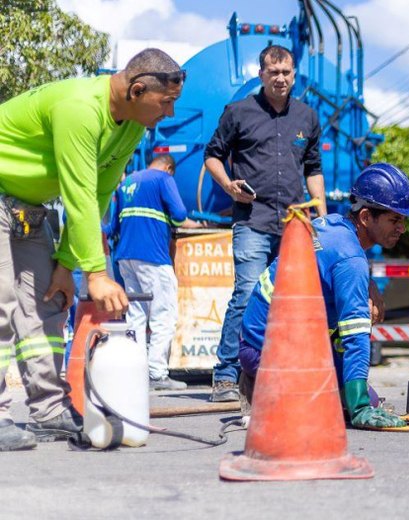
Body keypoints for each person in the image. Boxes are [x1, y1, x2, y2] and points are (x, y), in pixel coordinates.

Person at [0, 48, 184, 450]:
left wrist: (68, 264)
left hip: (29, 209)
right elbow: (78, 193)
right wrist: (97, 274)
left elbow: (100, 194)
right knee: (2, 302)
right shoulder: (81, 108)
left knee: (47, 306)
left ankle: (48, 412)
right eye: (166, 102)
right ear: (137, 90)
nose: (169, 114)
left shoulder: (132, 125)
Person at [238, 163, 409, 429]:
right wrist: (359, 407)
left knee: (364, 396)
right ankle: (274, 392)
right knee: (353, 403)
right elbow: (355, 336)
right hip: (269, 352)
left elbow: (332, 261)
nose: (402, 228)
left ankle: (271, 387)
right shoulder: (351, 260)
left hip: (256, 340)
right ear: (366, 217)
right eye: (395, 220)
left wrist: (368, 282)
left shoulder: (332, 224)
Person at [204, 45, 327, 403]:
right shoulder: (238, 112)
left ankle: (278, 372)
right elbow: (212, 155)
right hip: (252, 222)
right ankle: (225, 376)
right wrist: (228, 185)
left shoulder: (307, 117)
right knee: (245, 294)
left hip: (294, 225)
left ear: (294, 74)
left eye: (286, 72)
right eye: (273, 72)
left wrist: (320, 213)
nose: (280, 78)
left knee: (290, 301)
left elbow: (313, 168)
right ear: (261, 75)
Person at [110, 154, 202, 391]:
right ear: (169, 168)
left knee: (136, 315)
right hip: (153, 256)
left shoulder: (127, 182)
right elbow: (180, 214)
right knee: (164, 314)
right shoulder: (163, 178)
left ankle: (137, 371)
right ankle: (157, 373)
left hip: (125, 256)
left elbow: (112, 226)